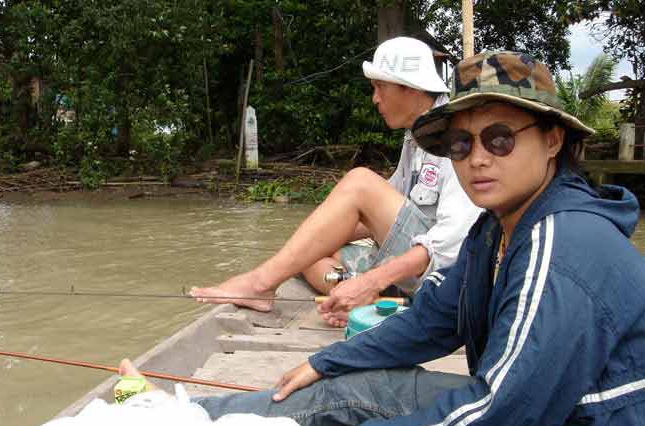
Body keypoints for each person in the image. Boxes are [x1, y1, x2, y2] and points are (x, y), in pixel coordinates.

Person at [122, 51, 645, 426]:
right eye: (461, 144)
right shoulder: (498, 226)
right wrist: (329, 364)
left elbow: (508, 407)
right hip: (524, 414)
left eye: (500, 138)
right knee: (347, 384)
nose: (478, 158)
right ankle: (177, 417)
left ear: (552, 141)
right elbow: (432, 320)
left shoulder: (563, 240)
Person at [190, 36, 481, 327]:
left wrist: (373, 278)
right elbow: (389, 209)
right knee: (311, 256)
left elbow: (453, 244)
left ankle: (259, 285)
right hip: (412, 270)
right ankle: (357, 295)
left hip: (448, 278)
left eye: (380, 87)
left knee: (359, 182)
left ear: (410, 87)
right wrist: (316, 237)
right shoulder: (416, 134)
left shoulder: (456, 135)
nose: (375, 98)